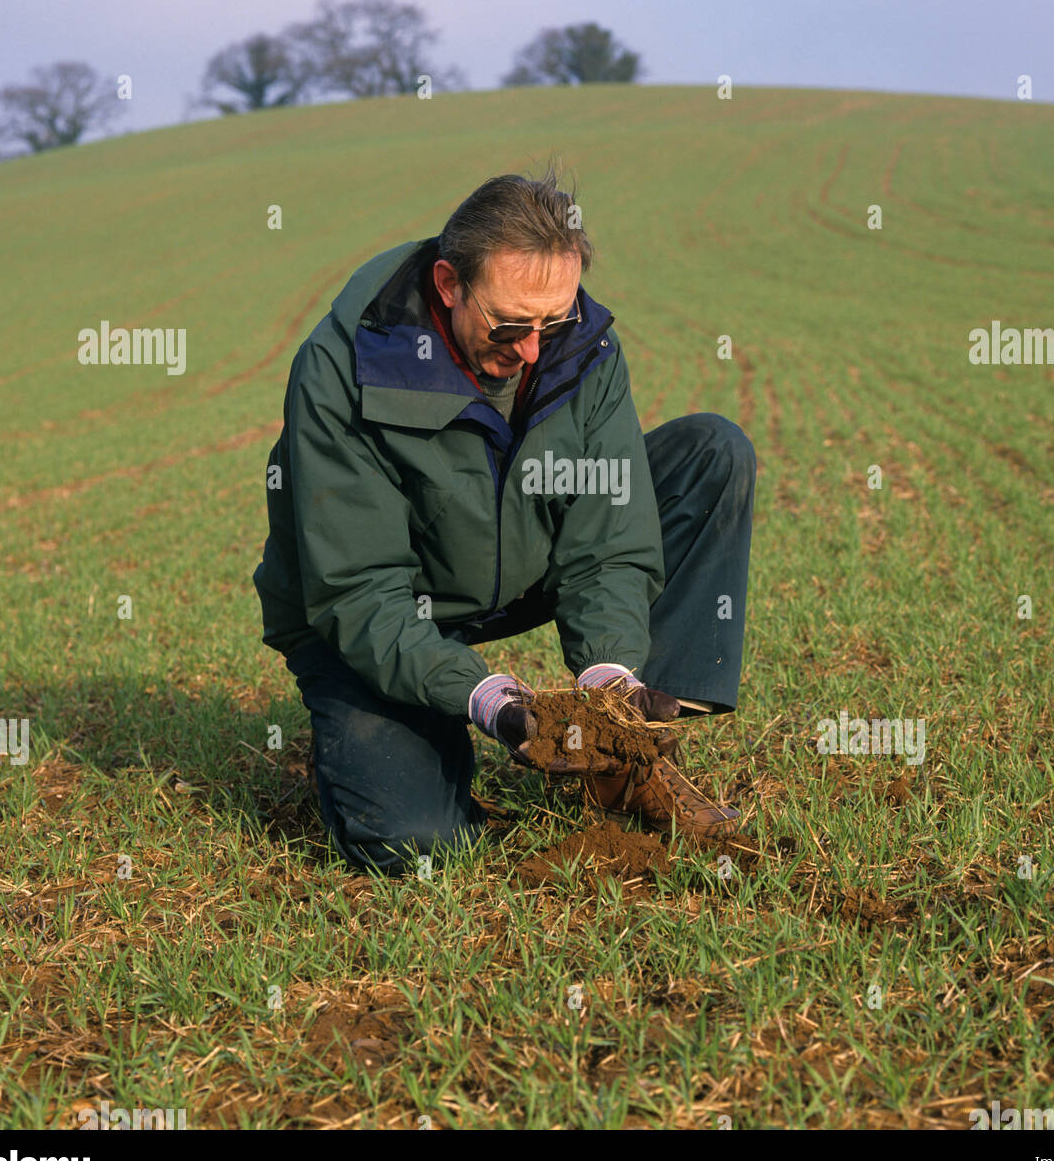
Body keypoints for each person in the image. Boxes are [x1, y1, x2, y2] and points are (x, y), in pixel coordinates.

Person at [253, 166, 756, 874]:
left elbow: (607, 532)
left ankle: (631, 759)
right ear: (448, 284)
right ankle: (353, 755)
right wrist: (487, 699)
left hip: (515, 565)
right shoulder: (342, 369)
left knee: (710, 451)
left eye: (553, 322)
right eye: (510, 325)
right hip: (376, 614)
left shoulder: (583, 344)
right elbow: (359, 591)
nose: (532, 351)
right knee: (417, 843)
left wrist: (608, 677)